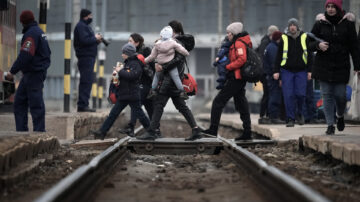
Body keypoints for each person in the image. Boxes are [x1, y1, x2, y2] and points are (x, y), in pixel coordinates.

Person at [136, 20, 202, 141]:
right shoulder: (174, 42)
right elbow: (164, 58)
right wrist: (157, 63)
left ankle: (151, 131)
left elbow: (177, 59)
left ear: (173, 31)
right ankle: (196, 129)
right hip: (172, 79)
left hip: (170, 79)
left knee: (159, 104)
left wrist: (163, 67)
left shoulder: (175, 42)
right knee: (181, 106)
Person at [309, 0, 360, 135]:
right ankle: (330, 125)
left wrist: (357, 66)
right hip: (323, 66)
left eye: (333, 7)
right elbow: (309, 42)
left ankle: (340, 115)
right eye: (328, 6)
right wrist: (318, 46)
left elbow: (354, 46)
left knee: (340, 96)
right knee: (327, 96)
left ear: (338, 8)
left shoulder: (348, 24)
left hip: (341, 66)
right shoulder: (320, 23)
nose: (330, 9)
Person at [202, 22, 253, 140]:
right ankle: (247, 132)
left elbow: (242, 59)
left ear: (234, 33)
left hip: (236, 78)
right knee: (241, 105)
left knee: (218, 102)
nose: (227, 35)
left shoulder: (239, 43)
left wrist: (228, 67)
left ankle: (213, 130)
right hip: (237, 78)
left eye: (229, 33)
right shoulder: (235, 42)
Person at [91, 43, 150, 140]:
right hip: (124, 94)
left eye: (124, 53)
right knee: (113, 114)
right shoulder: (127, 62)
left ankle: (151, 131)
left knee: (140, 114)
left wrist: (120, 71)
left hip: (132, 94)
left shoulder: (136, 63)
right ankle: (102, 132)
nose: (122, 54)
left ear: (129, 53)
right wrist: (116, 75)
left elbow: (132, 76)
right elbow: (125, 76)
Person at [5, 10, 51, 132]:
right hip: (32, 73)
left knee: (36, 103)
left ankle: (40, 132)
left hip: (34, 73)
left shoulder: (31, 34)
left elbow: (25, 55)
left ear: (23, 22)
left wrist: (12, 72)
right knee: (19, 102)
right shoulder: (39, 32)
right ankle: (21, 132)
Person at [273, 18, 313, 127]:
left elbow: (309, 54)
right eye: (290, 25)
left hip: (301, 70)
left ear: (297, 26)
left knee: (301, 94)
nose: (292, 27)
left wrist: (310, 70)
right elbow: (278, 55)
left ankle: (299, 114)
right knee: (288, 95)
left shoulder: (305, 37)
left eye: (294, 25)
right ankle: (290, 118)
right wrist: (276, 71)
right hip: (287, 71)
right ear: (288, 27)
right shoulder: (284, 38)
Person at [118, 33, 155, 137]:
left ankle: (131, 127)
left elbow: (152, 66)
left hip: (146, 82)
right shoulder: (131, 53)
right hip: (139, 83)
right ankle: (155, 130)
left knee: (137, 105)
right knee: (148, 107)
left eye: (130, 41)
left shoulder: (146, 50)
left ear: (137, 42)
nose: (128, 43)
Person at [145, 26, 190, 100]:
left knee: (156, 77)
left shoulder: (157, 45)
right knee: (176, 78)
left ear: (161, 35)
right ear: (171, 34)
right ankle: (182, 92)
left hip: (160, 64)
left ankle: (153, 91)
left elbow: (152, 56)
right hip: (170, 65)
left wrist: (144, 60)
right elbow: (181, 50)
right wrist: (186, 53)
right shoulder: (173, 43)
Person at [74, 9, 102, 112]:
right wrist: (95, 38)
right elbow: (84, 40)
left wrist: (96, 41)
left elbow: (88, 41)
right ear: (85, 16)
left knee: (88, 80)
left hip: (89, 57)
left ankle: (84, 104)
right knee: (86, 81)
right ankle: (82, 105)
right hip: (85, 57)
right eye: (90, 15)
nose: (91, 17)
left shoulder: (86, 27)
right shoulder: (81, 26)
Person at [256, 25, 279, 124]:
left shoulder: (264, 42)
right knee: (267, 95)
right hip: (265, 73)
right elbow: (266, 59)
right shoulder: (267, 44)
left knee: (267, 94)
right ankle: (264, 115)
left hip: (264, 73)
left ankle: (263, 115)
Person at [263, 31, 284, 124]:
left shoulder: (270, 47)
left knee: (272, 95)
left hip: (270, 76)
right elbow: (274, 64)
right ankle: (274, 116)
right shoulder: (274, 49)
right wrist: (279, 78)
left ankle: (272, 115)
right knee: (275, 96)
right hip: (274, 77)